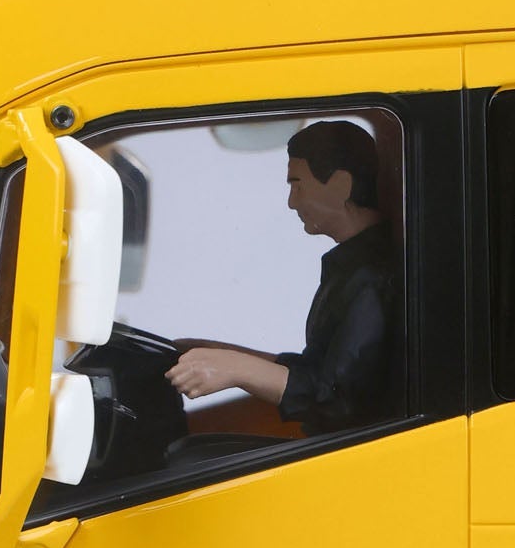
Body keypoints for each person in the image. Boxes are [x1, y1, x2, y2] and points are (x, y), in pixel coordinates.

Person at [166, 120, 399, 434]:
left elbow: (336, 397)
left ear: (340, 185)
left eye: (297, 185)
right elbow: (317, 370)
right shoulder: (353, 267)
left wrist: (237, 368)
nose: (292, 202)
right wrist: (224, 354)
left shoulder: (373, 278)